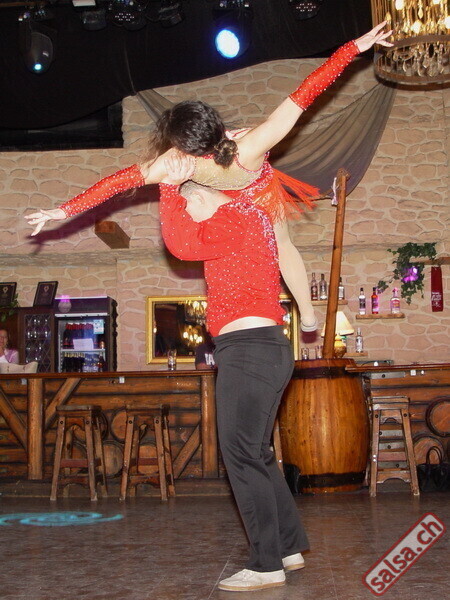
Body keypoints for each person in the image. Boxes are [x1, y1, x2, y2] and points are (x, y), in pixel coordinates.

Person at [25, 25, 392, 326]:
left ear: (183, 144)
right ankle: (290, 311)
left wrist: (63, 210)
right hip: (223, 198)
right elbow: (304, 94)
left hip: (258, 191)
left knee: (280, 243)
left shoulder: (189, 157)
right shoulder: (243, 146)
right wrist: (352, 48)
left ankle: (306, 313)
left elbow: (118, 182)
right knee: (272, 241)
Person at [158, 153, 311, 592]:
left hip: (248, 350)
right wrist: (309, 316)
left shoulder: (232, 217)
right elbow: (286, 250)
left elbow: (181, 243)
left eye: (188, 209)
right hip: (261, 348)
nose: (189, 220)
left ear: (199, 197)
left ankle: (266, 565)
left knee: (242, 455)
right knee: (257, 453)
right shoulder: (252, 216)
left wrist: (168, 188)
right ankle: (288, 546)